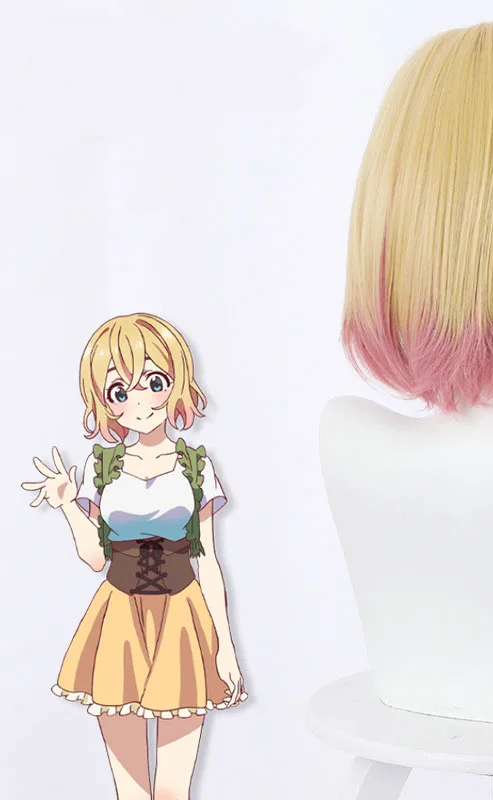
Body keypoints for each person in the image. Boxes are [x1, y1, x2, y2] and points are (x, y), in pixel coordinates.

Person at [21, 312, 246, 800]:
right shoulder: (101, 467)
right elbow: (93, 558)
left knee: (172, 791)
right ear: (104, 402)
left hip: (184, 618)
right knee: (131, 791)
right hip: (117, 619)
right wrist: (67, 505)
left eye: (154, 383)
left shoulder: (195, 465)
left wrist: (226, 647)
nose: (139, 402)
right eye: (119, 391)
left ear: (176, 383)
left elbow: (209, 560)